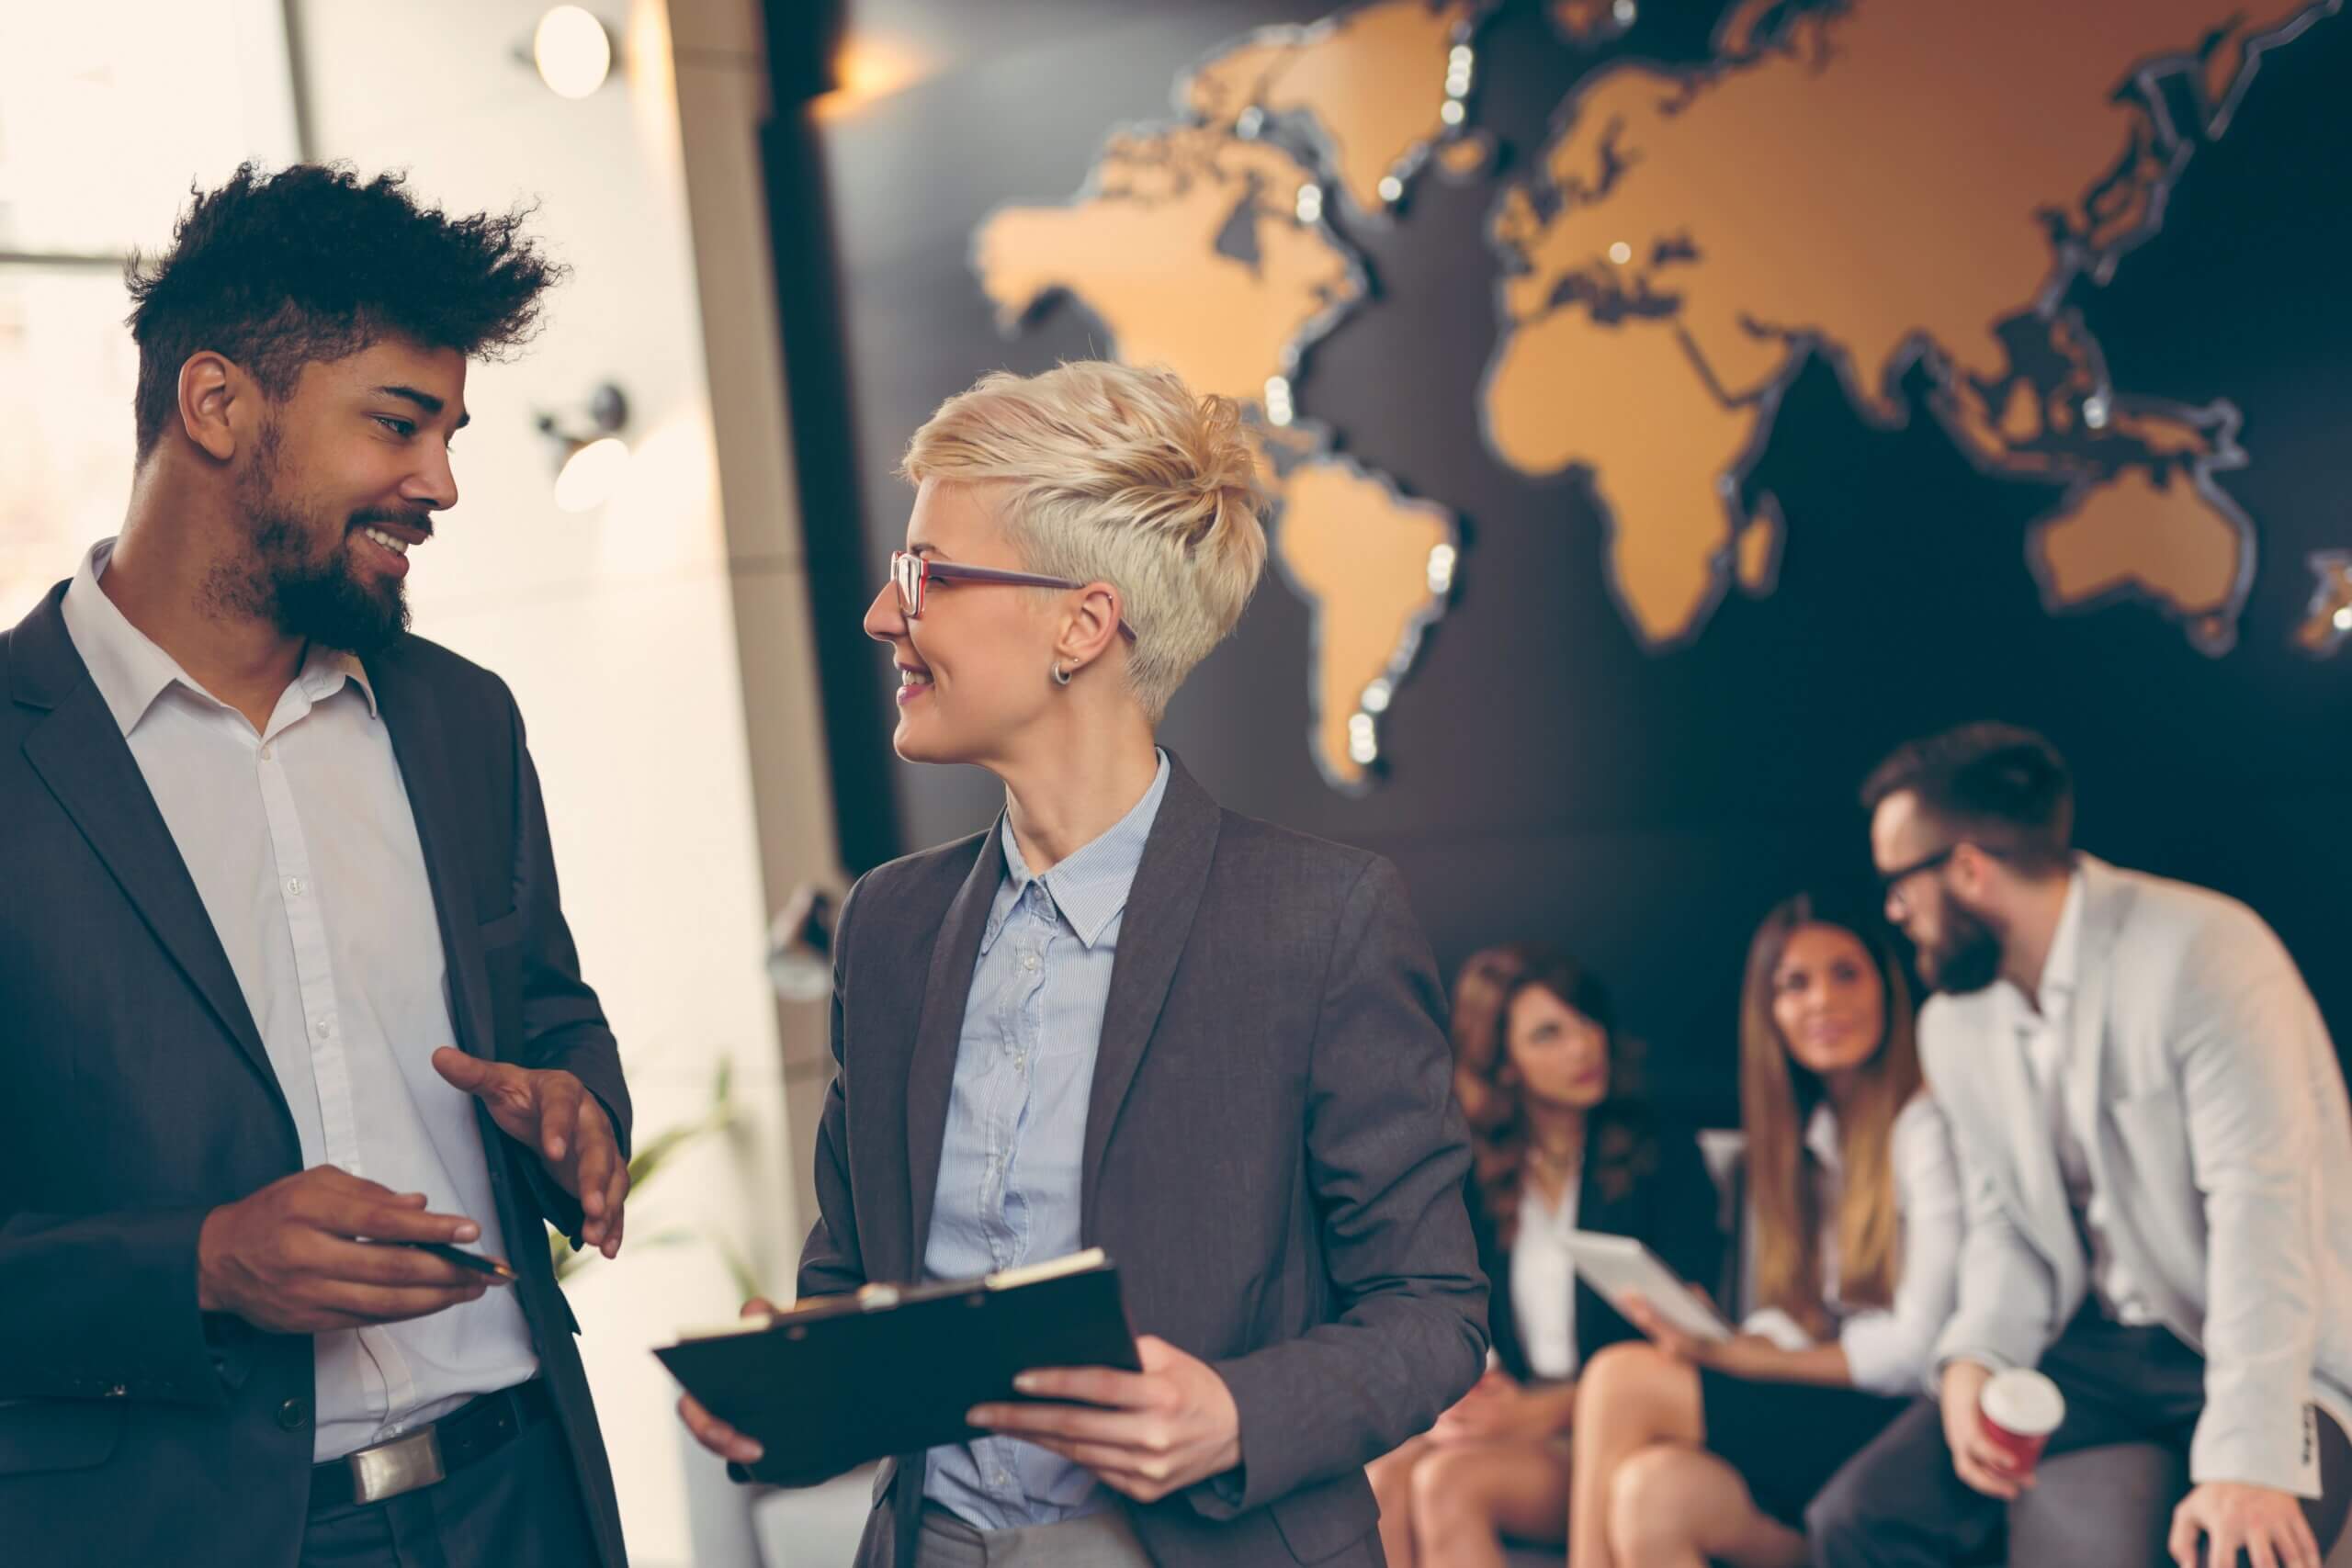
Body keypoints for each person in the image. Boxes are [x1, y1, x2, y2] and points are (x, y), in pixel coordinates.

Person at [680, 360, 1487, 1567]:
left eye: (928, 573)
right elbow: (853, 1282)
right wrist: (788, 1389)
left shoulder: (1319, 919)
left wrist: (1233, 1412)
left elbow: (1433, 1310)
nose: (883, 613)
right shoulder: (890, 925)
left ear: (1083, 623)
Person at [0, 164, 632, 1567]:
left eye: (449, 430)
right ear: (217, 405)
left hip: (523, 1497)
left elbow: (551, 1012)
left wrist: (579, 1109)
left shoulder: (463, 716)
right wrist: (204, 1261)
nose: (442, 483)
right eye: (399, 425)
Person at [1811, 722, 2352, 1568]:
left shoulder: (2202, 951)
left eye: (1897, 881)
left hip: (2258, 1333)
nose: (1892, 911)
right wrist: (1974, 1356)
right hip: (2096, 1350)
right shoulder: (1954, 1021)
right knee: (1860, 1515)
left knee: (2244, 1550)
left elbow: (2264, 1212)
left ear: (1966, 869)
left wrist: (2248, 1462)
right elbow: (2008, 1229)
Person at [1566, 891, 1962, 1568]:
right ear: (1770, 1012)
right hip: (1829, 1413)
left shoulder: (1927, 1124)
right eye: (1794, 984)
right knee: (1650, 1493)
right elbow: (1802, 1316)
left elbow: (1918, 1349)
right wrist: (1741, 1337)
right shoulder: (1807, 1140)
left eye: (1846, 973)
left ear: (1888, 988)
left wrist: (1754, 1359)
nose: (1820, 1002)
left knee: (1619, 1379)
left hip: (1911, 1422)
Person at [1367, 946, 1723, 1567]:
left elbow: (1692, 1332)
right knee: (1385, 1475)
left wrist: (1537, 1411)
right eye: (1549, 1033)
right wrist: (1468, 1395)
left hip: (1613, 1430)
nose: (1584, 1046)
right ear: (1505, 1065)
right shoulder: (1477, 1174)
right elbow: (1440, 1302)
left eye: (1587, 1022)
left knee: (1448, 1483)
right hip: (1523, 1422)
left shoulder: (1663, 1155)